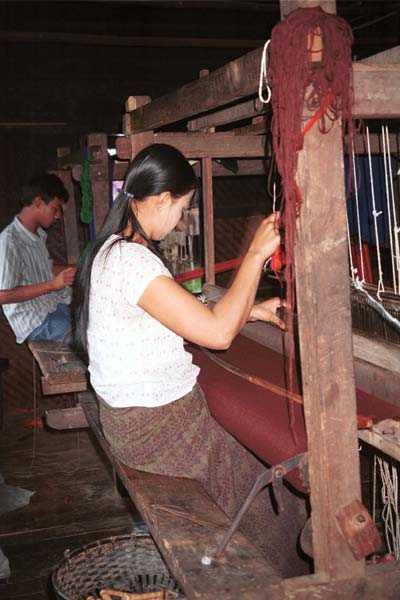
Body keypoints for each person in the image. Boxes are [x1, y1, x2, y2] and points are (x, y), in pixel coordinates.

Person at [74, 143, 307, 576]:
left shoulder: (109, 249)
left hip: (134, 425)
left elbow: (173, 308)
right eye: (181, 208)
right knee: (275, 494)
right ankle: (281, 580)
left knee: (246, 457)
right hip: (159, 432)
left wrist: (250, 310)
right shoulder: (133, 261)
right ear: (162, 199)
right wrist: (255, 254)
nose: (181, 220)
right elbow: (217, 334)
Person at [0, 173, 76, 344]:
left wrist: (77, 269)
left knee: (93, 321)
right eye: (55, 209)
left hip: (51, 305)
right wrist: (52, 285)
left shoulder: (37, 235)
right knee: (81, 339)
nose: (58, 216)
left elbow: (44, 269)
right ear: (38, 203)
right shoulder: (10, 241)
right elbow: (3, 295)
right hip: (34, 320)